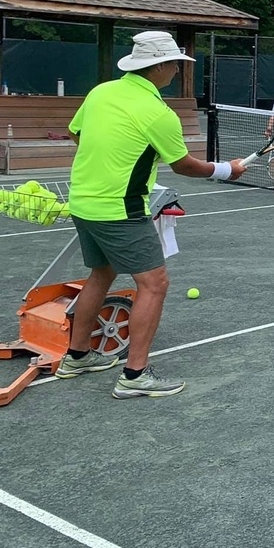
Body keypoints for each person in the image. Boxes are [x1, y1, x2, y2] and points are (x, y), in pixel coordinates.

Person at [56, 30, 246, 399]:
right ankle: (135, 375)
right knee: (154, 283)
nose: (177, 69)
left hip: (82, 201)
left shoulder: (101, 92)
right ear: (158, 66)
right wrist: (226, 170)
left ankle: (77, 356)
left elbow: (78, 134)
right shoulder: (158, 113)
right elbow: (185, 167)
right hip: (120, 209)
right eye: (175, 63)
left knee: (101, 273)